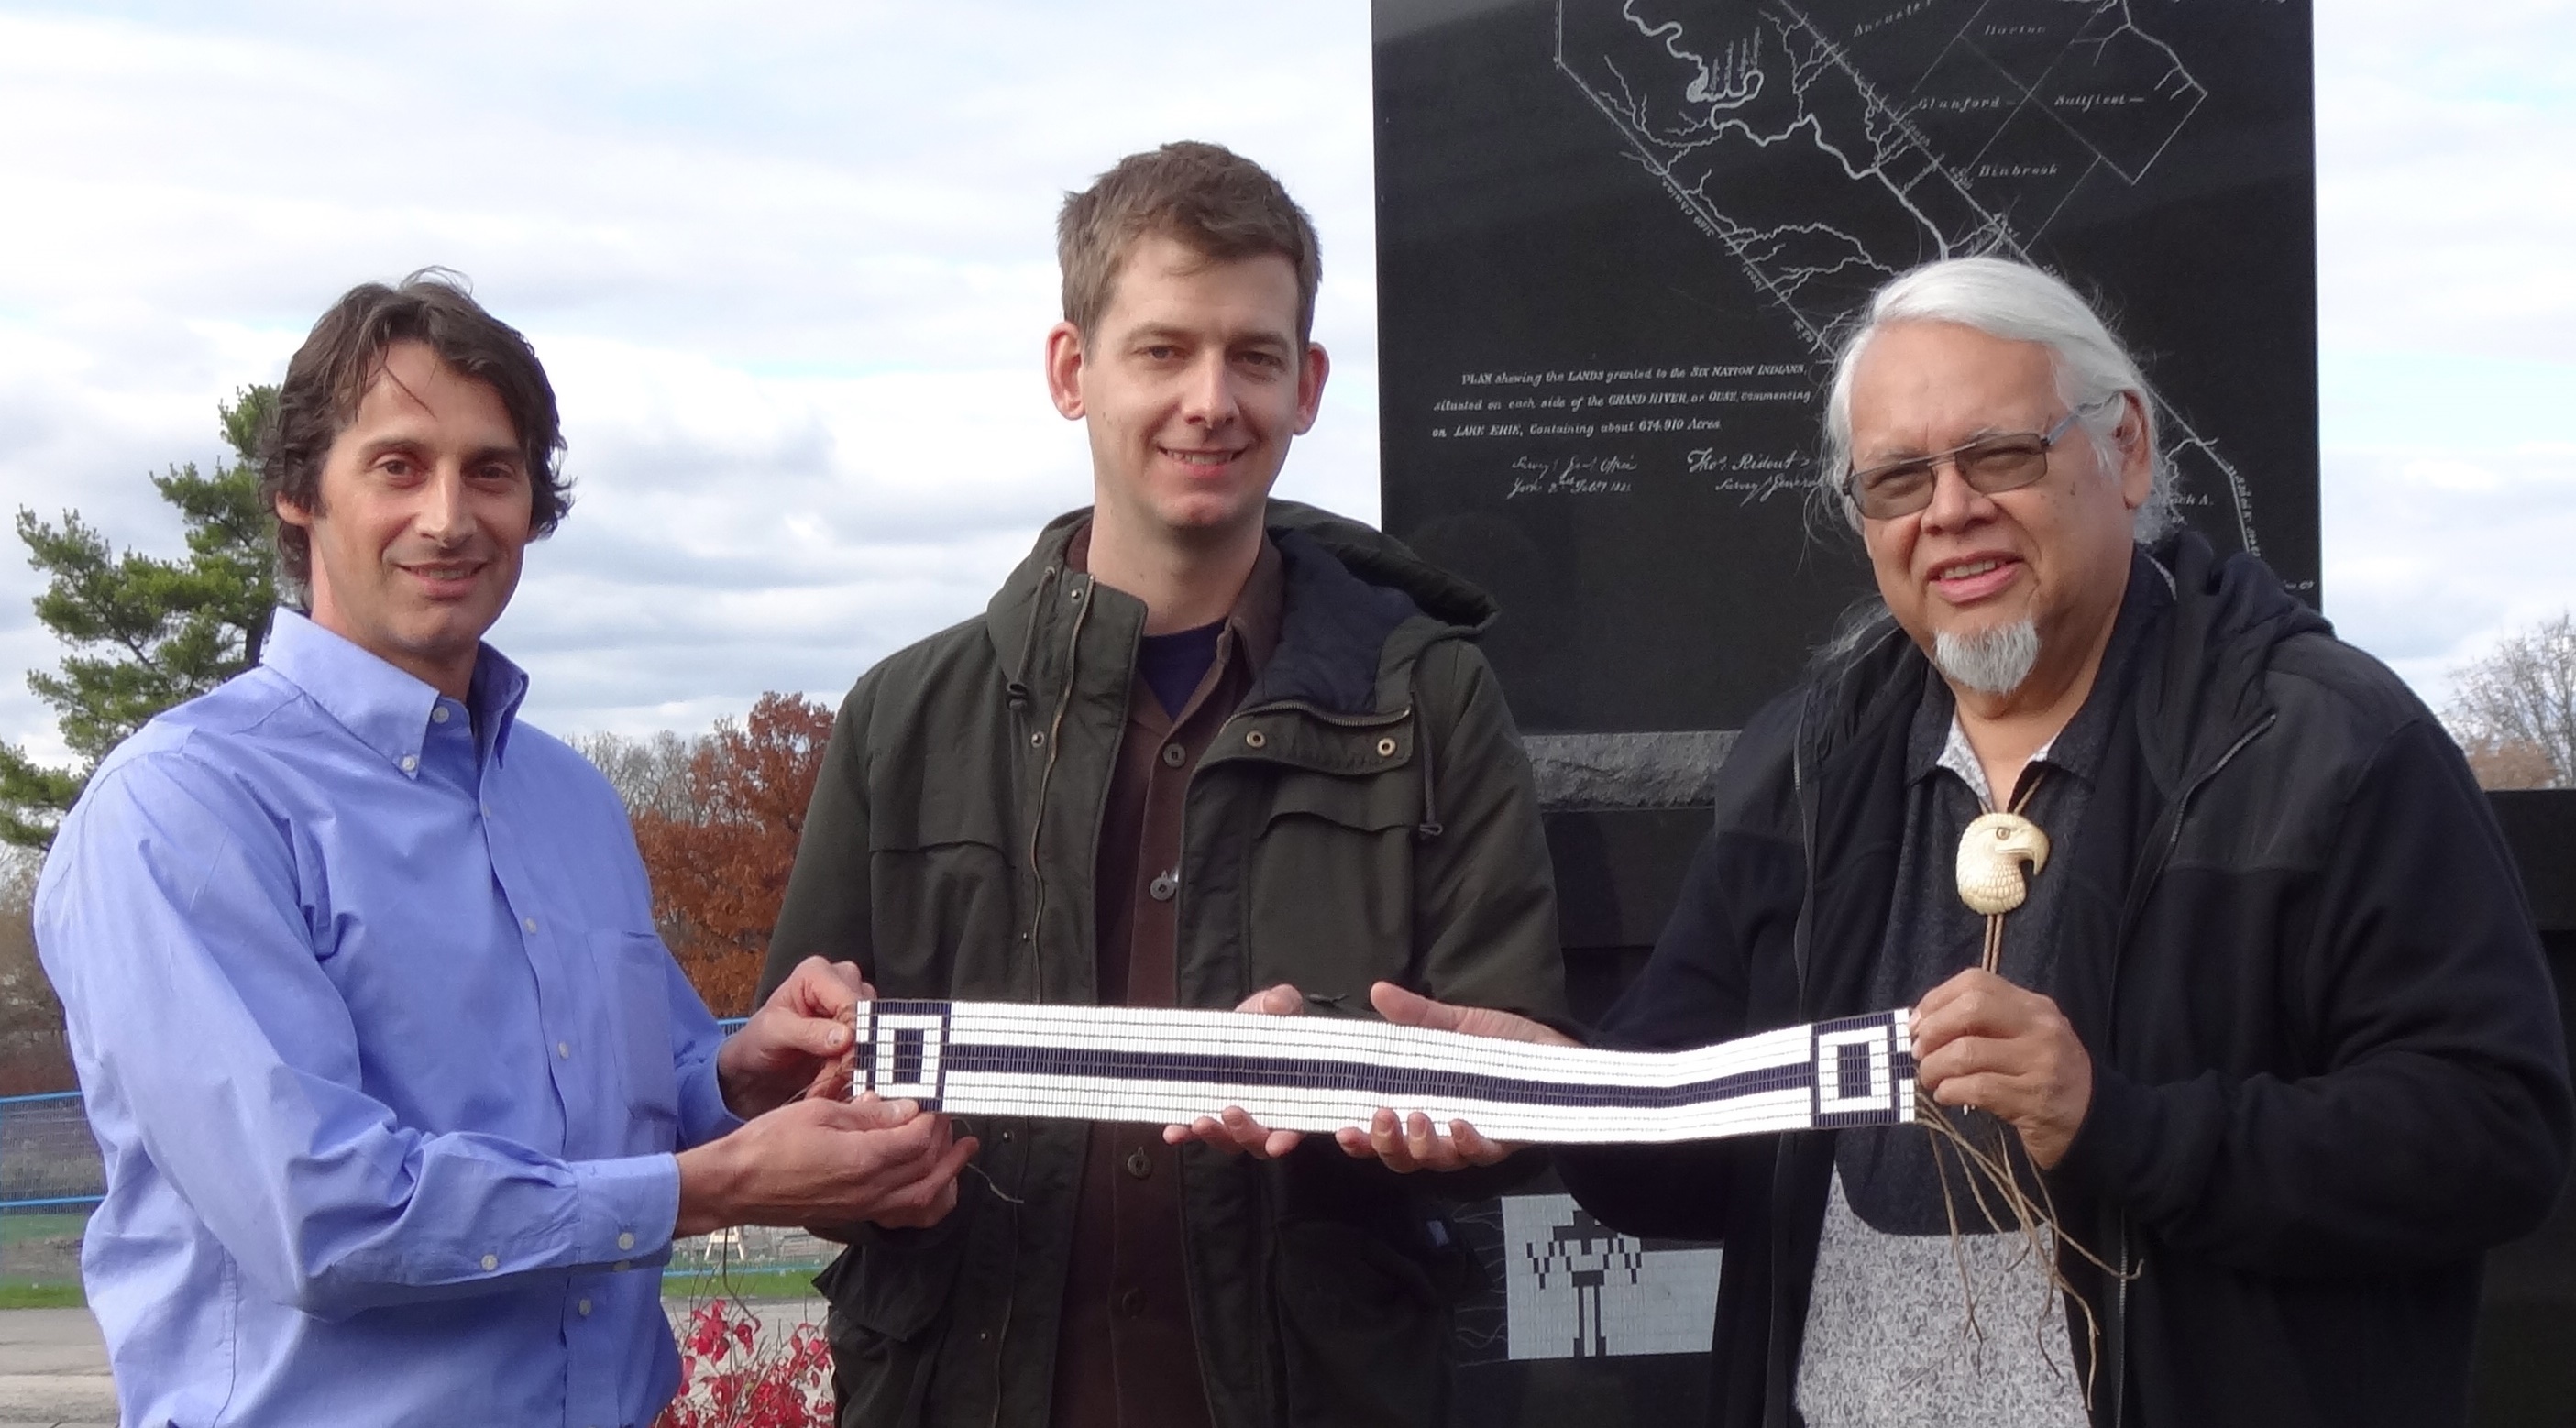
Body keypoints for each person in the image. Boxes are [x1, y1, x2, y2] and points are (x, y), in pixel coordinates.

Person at [1328, 256, 2573, 1427]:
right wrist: (1564, 1099)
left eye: (1999, 453)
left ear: (2124, 449)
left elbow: (2492, 1135)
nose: (1951, 513)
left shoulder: (2323, 748)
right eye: (1898, 479)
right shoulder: (1803, 766)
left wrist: (2120, 1124)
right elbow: (1690, 1160)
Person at [36, 273, 975, 1428]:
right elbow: (323, 1215)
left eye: (491, 470)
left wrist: (739, 1077)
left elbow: (628, 1103)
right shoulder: (181, 809)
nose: (449, 515)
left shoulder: (566, 800)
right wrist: (714, 1184)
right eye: (397, 466)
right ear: (297, 494)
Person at [757, 141, 1565, 1428]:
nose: (1210, 398)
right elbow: (788, 1110)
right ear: (1071, 372)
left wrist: (1392, 1084)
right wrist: (841, 1148)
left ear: (1305, 387)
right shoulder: (901, 720)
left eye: (1252, 355)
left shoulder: (1432, 704)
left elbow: (1524, 1086)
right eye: (1162, 349)